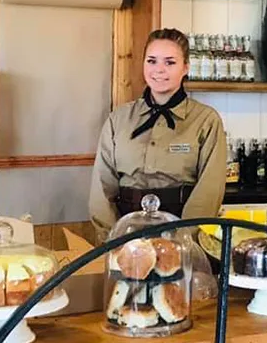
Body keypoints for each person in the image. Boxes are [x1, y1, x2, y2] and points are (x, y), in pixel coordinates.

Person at [89, 28, 227, 240]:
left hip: (182, 234)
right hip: (124, 235)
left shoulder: (206, 120)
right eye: (152, 61)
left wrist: (183, 241)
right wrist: (113, 239)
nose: (159, 70)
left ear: (186, 67)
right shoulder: (119, 119)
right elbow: (102, 186)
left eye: (170, 62)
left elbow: (209, 191)